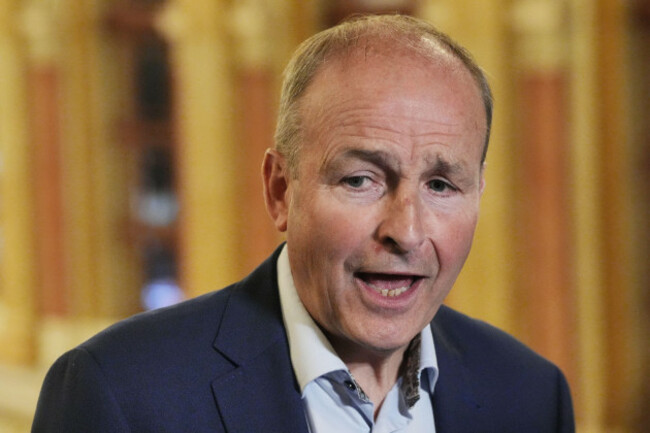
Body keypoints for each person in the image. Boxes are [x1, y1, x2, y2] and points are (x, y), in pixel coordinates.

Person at [32, 14, 574, 432]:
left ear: (479, 193)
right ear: (279, 191)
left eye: (441, 185)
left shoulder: (529, 395)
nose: (406, 232)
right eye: (361, 179)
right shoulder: (121, 392)